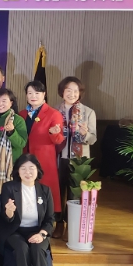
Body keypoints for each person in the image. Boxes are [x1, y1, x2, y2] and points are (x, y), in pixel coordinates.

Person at [0, 154, 55, 266]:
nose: (28, 172)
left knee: (38, 249)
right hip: (14, 231)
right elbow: (5, 219)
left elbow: (50, 219)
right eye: (23, 169)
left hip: (37, 231)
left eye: (31, 168)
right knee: (22, 249)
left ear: (37, 170)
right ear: (17, 171)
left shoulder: (45, 190)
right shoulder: (9, 188)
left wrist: (42, 234)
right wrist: (9, 212)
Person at [55, 76, 97, 239]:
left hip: (78, 161)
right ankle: (59, 223)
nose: (71, 94)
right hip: (59, 158)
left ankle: (72, 225)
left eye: (75, 91)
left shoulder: (88, 112)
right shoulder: (55, 111)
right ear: (62, 92)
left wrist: (85, 134)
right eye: (68, 90)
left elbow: (93, 139)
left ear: (80, 93)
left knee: (75, 194)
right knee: (58, 192)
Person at [19, 81, 65, 228]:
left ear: (44, 94)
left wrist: (54, 133)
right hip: (25, 158)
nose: (33, 96)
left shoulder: (53, 113)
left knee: (45, 190)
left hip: (44, 159)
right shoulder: (22, 114)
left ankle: (50, 223)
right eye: (30, 93)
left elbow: (59, 140)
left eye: (37, 93)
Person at [0, 89, 28, 193]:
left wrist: (12, 132)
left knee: (7, 195)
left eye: (4, 101)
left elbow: (21, 143)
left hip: (10, 165)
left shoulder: (18, 120)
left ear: (11, 103)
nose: (0, 104)